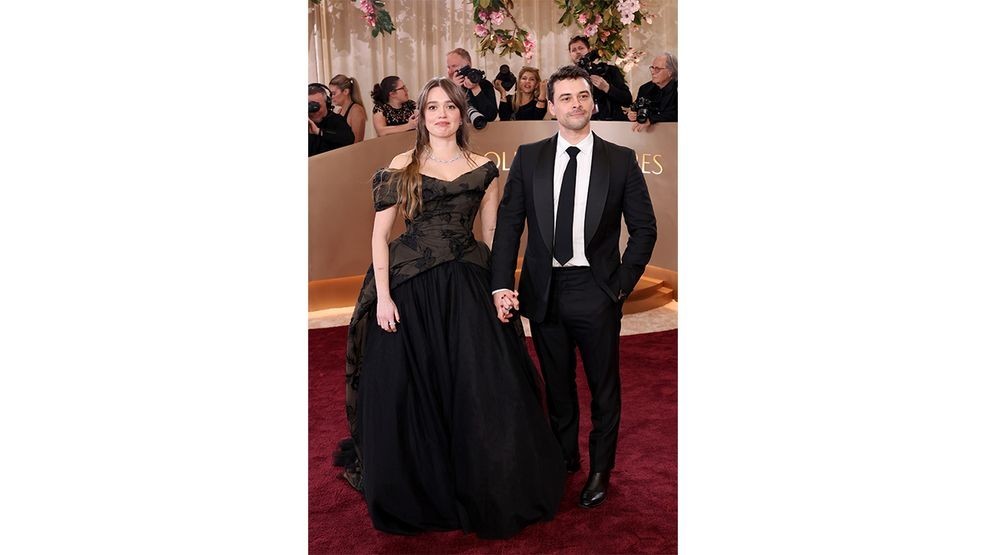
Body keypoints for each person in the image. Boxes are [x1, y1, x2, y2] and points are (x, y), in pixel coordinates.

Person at [337, 77, 566, 539]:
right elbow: (380, 236)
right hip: (410, 289)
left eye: (451, 107)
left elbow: (493, 237)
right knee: (414, 389)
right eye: (433, 107)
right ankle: (425, 486)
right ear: (421, 115)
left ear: (462, 114)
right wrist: (382, 297)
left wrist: (502, 288)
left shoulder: (484, 167)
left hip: (467, 283)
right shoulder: (402, 163)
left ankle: (485, 479)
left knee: (480, 386)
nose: (442, 114)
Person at [489, 65, 657, 509]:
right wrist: (500, 285)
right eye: (565, 97)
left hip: (596, 290)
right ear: (551, 105)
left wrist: (618, 286)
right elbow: (508, 226)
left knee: (604, 388)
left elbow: (644, 230)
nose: (575, 104)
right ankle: (565, 459)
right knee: (558, 387)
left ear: (592, 101)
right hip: (544, 291)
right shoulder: (529, 157)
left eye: (582, 96)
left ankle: (601, 468)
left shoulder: (619, 159)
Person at [567, 36, 632, 121]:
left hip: (611, 124)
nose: (578, 52)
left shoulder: (608, 71)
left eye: (581, 48)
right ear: (570, 54)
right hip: (581, 124)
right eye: (574, 50)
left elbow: (627, 101)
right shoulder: (567, 78)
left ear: (589, 50)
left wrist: (607, 88)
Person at [446, 48, 498, 122]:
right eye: (448, 67)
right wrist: (454, 89)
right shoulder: (445, 88)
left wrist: (475, 89)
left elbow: (490, 116)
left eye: (454, 66)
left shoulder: (484, 84)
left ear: (467, 66)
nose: (450, 71)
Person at [629, 52, 678, 131]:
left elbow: (675, 114)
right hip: (647, 135)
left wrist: (651, 119)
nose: (652, 72)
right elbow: (637, 109)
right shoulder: (644, 89)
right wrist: (633, 114)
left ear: (670, 72)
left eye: (657, 69)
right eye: (652, 67)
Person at [309, 83, 355, 157]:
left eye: (317, 106)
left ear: (327, 104)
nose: (314, 111)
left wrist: (319, 132)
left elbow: (349, 139)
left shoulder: (336, 120)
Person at [328, 74, 368, 142]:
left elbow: (357, 142)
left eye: (334, 93)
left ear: (346, 91)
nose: (332, 97)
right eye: (331, 94)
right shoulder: (339, 111)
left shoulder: (356, 110)